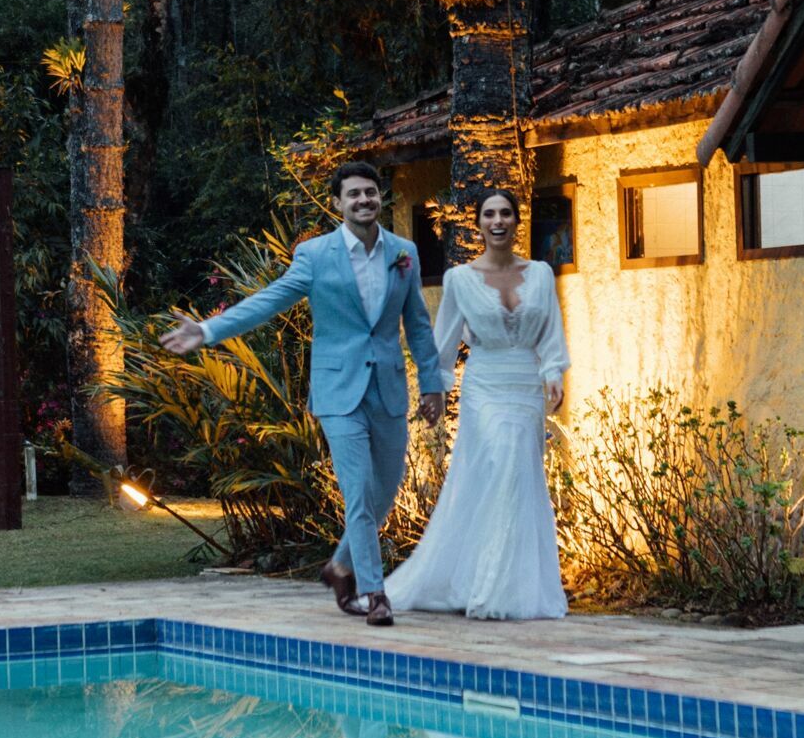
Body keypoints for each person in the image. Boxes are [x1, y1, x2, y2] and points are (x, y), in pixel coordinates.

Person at [161, 160, 445, 626]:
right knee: (358, 494)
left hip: (389, 389)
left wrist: (432, 383)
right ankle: (375, 593)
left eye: (370, 192)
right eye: (353, 194)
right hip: (338, 392)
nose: (364, 200)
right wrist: (209, 330)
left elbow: (416, 323)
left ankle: (338, 566)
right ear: (337, 203)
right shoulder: (315, 256)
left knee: (383, 495)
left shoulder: (404, 252)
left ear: (380, 198)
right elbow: (269, 300)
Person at [384, 190, 570, 620]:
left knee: (519, 475)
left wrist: (554, 374)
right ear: (479, 223)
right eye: (490, 214)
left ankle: (509, 586)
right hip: (483, 386)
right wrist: (435, 390)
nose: (498, 220)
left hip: (525, 385)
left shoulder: (541, 273)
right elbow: (443, 340)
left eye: (506, 213)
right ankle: (487, 586)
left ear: (516, 220)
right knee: (497, 467)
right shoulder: (459, 279)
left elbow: (551, 332)